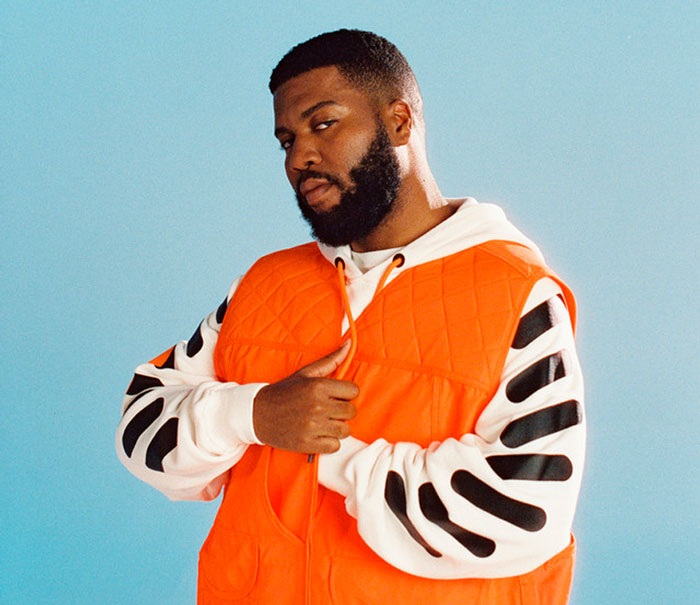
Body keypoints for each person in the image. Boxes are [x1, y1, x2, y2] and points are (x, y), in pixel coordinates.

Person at [116, 29, 585, 605]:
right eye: (286, 140)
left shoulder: (518, 295)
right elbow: (140, 425)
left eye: (324, 124)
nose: (300, 158)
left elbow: (525, 508)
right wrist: (252, 414)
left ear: (399, 123)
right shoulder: (266, 284)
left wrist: (331, 454)